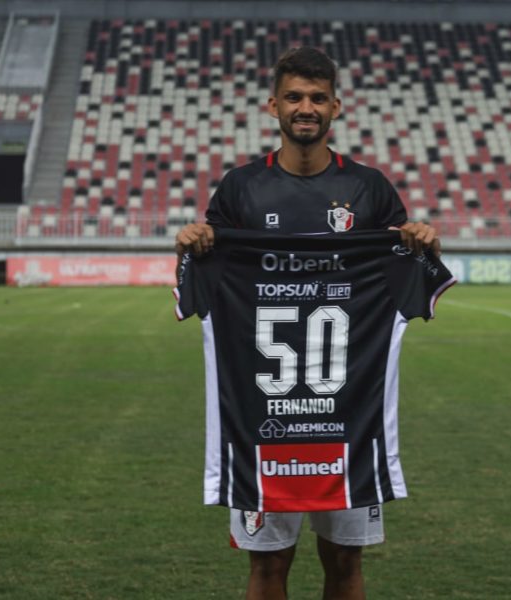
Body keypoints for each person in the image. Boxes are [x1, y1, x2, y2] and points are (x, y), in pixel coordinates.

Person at [175, 46, 441, 600]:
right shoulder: (241, 189)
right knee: (266, 570)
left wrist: (418, 244)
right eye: (294, 97)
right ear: (272, 105)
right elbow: (207, 276)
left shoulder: (369, 190)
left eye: (318, 98)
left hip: (349, 424)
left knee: (345, 565)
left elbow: (404, 274)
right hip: (259, 428)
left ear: (337, 107)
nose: (306, 107)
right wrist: (195, 245)